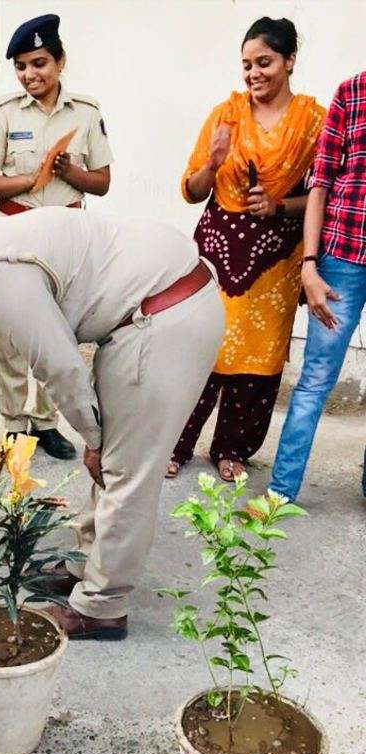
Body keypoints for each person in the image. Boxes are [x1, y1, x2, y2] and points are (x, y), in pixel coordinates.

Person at [0, 197, 225, 639]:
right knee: (116, 464)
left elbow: (60, 366)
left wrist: (92, 439)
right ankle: (86, 564)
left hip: (164, 318)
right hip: (155, 306)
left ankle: (102, 605)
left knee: (126, 471)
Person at [165, 18, 325, 482]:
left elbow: (322, 193)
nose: (253, 73)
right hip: (217, 247)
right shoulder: (225, 115)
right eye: (247, 65)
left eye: (265, 62)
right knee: (202, 345)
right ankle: (175, 442)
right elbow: (192, 190)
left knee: (259, 354)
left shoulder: (314, 122)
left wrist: (278, 206)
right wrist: (214, 163)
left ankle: (232, 448)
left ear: (290, 60)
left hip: (275, 255)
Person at [0, 14, 113, 461]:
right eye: (21, 66)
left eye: (39, 63)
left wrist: (71, 172)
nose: (30, 75)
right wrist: (30, 181)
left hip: (67, 245)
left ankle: (47, 423)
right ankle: (15, 425)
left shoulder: (87, 114)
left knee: (59, 333)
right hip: (14, 235)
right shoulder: (4, 113)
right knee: (13, 339)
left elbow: (103, 181)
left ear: (59, 61)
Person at [270, 69, 366, 502]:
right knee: (314, 382)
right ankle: (279, 495)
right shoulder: (352, 91)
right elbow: (320, 185)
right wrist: (309, 266)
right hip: (342, 260)